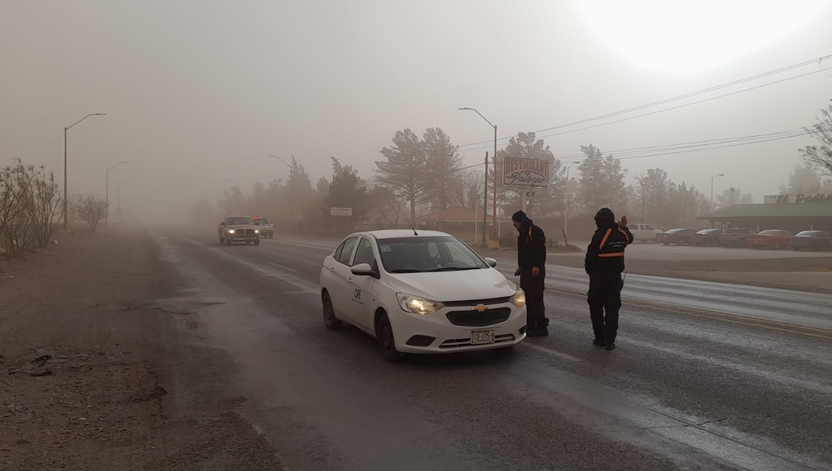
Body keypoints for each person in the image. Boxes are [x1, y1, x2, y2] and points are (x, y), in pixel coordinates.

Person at [584, 208, 632, 350]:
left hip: (599, 278)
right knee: (612, 309)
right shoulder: (621, 234)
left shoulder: (600, 235)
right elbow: (630, 238)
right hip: (615, 279)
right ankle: (610, 340)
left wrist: (590, 273)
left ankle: (600, 338)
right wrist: (623, 227)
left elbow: (590, 257)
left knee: (596, 307)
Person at [511, 210, 549, 337]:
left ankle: (541, 326)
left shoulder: (535, 231)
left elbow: (540, 250)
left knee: (536, 298)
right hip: (526, 270)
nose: (514, 225)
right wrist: (520, 267)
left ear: (520, 221)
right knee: (526, 298)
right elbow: (522, 252)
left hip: (534, 270)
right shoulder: (522, 233)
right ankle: (530, 324)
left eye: (515, 222)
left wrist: (537, 265)